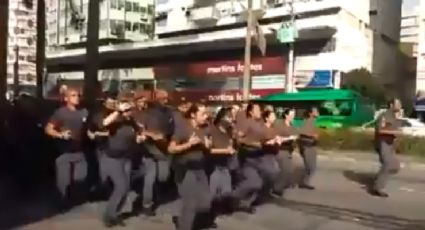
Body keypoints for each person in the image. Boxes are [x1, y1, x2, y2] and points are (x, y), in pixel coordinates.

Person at [101, 99, 145, 227]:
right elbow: (104, 123)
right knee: (121, 187)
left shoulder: (132, 122)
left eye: (130, 109)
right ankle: (109, 216)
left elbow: (137, 135)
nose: (128, 112)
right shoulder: (115, 121)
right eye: (126, 110)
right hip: (112, 158)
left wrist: (140, 138)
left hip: (126, 158)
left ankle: (115, 214)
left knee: (125, 189)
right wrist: (118, 111)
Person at [168, 103, 212, 230]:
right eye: (202, 114)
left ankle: (181, 220)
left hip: (200, 168)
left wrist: (206, 145)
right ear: (193, 114)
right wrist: (189, 144)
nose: (206, 116)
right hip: (185, 168)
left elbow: (208, 145)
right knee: (190, 203)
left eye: (207, 113)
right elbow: (171, 149)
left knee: (205, 203)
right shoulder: (183, 128)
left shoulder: (205, 127)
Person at [44, 88, 89, 208]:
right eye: (73, 95)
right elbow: (48, 129)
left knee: (80, 179)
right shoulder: (60, 113)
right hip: (64, 153)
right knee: (64, 183)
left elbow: (87, 128)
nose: (77, 97)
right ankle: (61, 204)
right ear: (66, 99)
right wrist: (60, 135)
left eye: (78, 95)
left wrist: (90, 133)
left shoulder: (84, 112)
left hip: (79, 152)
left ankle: (73, 200)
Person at [233, 103, 279, 213]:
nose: (260, 111)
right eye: (257, 110)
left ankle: (250, 200)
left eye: (260, 109)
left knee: (271, 174)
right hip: (248, 158)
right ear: (250, 112)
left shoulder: (260, 123)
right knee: (254, 182)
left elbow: (265, 136)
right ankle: (232, 197)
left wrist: (273, 140)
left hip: (260, 156)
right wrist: (255, 144)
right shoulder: (246, 123)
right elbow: (238, 139)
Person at [208, 107, 237, 219]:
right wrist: (225, 151)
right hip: (214, 165)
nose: (231, 119)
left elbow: (232, 145)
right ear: (221, 118)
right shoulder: (212, 130)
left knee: (226, 191)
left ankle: (221, 208)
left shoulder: (229, 131)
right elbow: (208, 150)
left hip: (226, 165)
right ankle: (208, 214)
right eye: (229, 116)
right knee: (212, 193)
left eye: (232, 117)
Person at [371, 98, 402, 197]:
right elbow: (380, 130)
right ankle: (378, 188)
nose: (400, 106)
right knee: (388, 163)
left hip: (390, 144)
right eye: (398, 104)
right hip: (383, 143)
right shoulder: (385, 116)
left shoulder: (395, 117)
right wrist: (394, 132)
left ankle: (379, 178)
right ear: (391, 105)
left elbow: (396, 131)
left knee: (395, 166)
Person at [273, 108, 298, 196]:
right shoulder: (280, 125)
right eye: (291, 115)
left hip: (288, 150)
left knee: (287, 169)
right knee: (286, 169)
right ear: (286, 115)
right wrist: (289, 138)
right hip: (280, 149)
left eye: (294, 115)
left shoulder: (292, 125)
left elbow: (295, 136)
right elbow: (276, 137)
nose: (293, 117)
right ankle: (277, 188)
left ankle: (281, 185)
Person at [298, 107, 320, 190]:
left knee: (312, 167)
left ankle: (304, 182)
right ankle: (303, 182)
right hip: (307, 147)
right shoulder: (307, 121)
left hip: (312, 146)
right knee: (310, 167)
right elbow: (302, 132)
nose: (318, 112)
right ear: (310, 113)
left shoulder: (313, 121)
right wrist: (312, 135)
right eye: (316, 111)